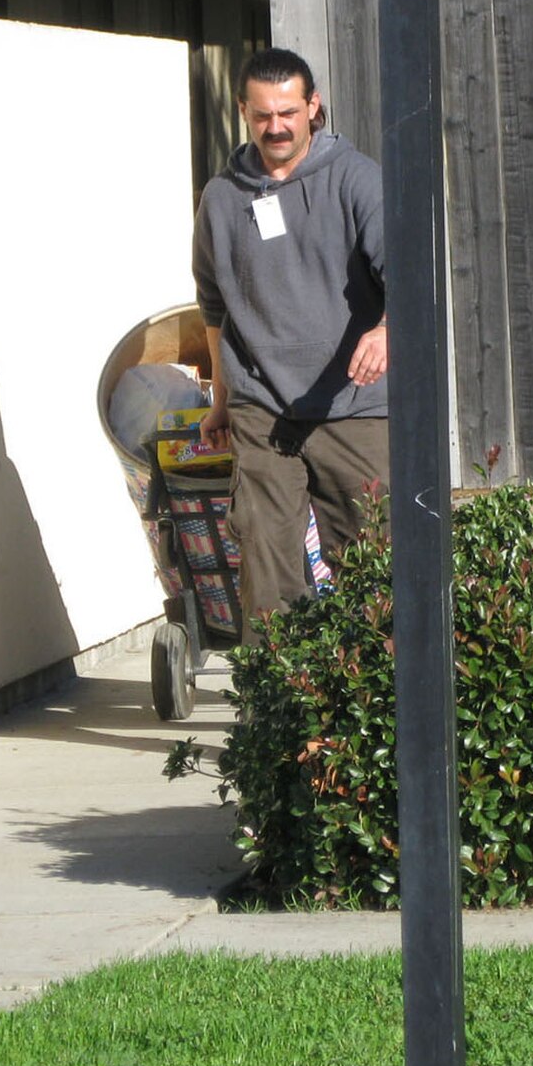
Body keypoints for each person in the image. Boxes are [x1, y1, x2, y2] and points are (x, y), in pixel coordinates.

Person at [192, 47, 388, 637]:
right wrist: (223, 399)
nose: (275, 126)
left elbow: (413, 274)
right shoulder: (222, 199)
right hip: (261, 408)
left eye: (287, 112)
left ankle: (378, 704)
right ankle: (282, 714)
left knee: (374, 559)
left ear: (313, 106)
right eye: (261, 115)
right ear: (243, 113)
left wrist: (387, 331)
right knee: (266, 561)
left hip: (352, 404)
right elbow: (213, 305)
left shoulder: (357, 180)